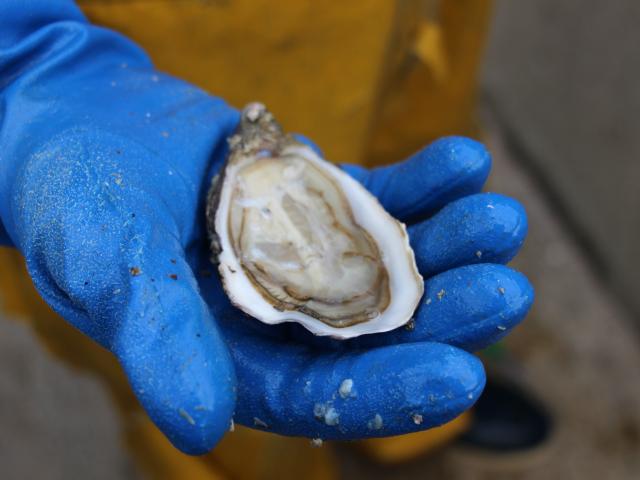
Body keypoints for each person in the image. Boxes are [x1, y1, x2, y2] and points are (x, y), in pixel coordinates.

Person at [0, 1, 537, 478]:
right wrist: (25, 62)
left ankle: (419, 430)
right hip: (177, 36)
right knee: (199, 372)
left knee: (420, 145)